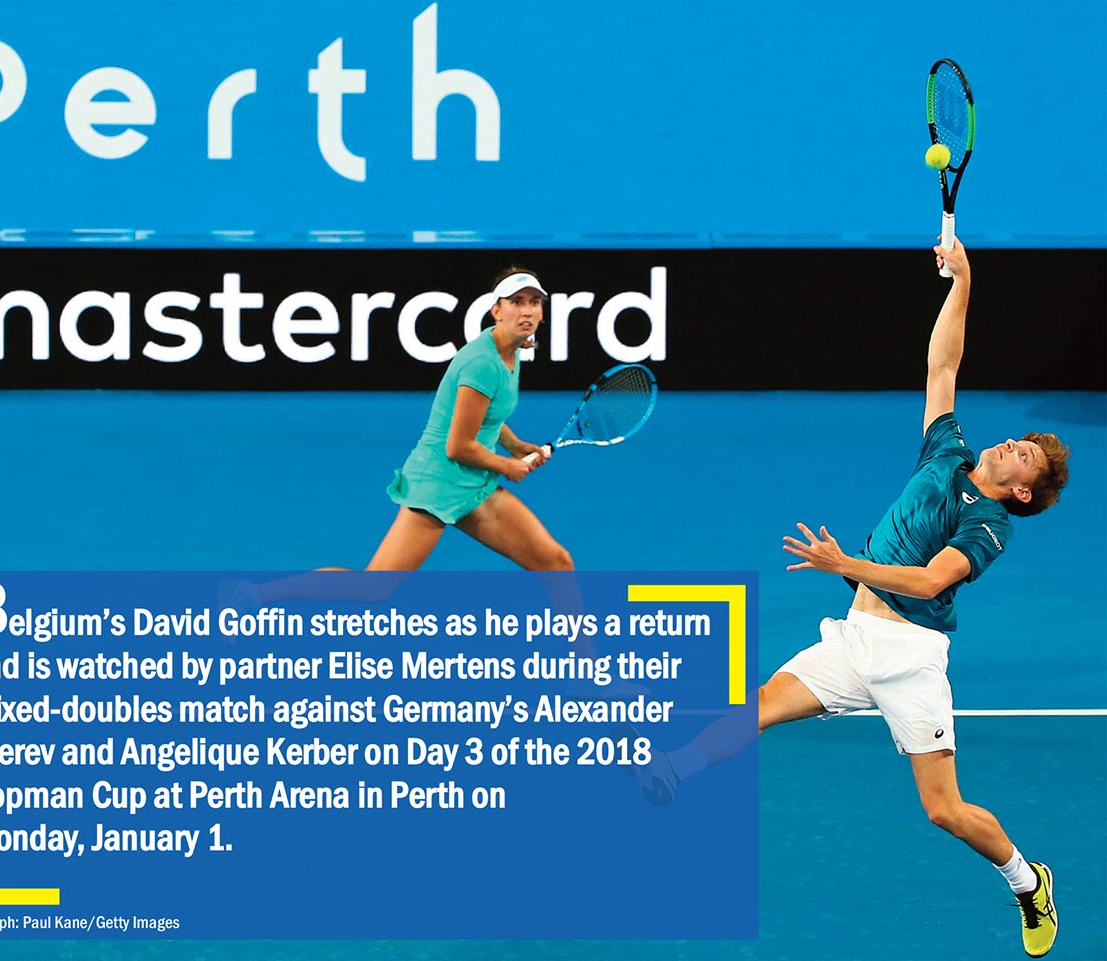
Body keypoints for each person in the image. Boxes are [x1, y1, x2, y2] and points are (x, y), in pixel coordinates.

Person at [627, 238, 1069, 958]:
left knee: (943, 810)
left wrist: (846, 562)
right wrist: (963, 280)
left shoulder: (988, 525)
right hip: (854, 641)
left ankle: (1027, 879)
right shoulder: (947, 450)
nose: (1013, 442)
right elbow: (944, 363)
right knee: (761, 703)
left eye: (1026, 455)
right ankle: (673, 769)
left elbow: (929, 582)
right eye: (1019, 439)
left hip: (909, 657)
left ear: (1023, 490)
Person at [224, 267, 573, 609]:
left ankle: (583, 661)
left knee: (556, 563)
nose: (527, 310)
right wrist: (507, 466)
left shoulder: (512, 350)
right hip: (438, 484)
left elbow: (486, 416)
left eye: (535, 302)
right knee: (371, 587)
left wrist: (511, 444)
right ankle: (251, 595)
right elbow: (458, 445)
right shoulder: (481, 364)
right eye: (516, 302)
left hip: (475, 485)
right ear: (497, 310)